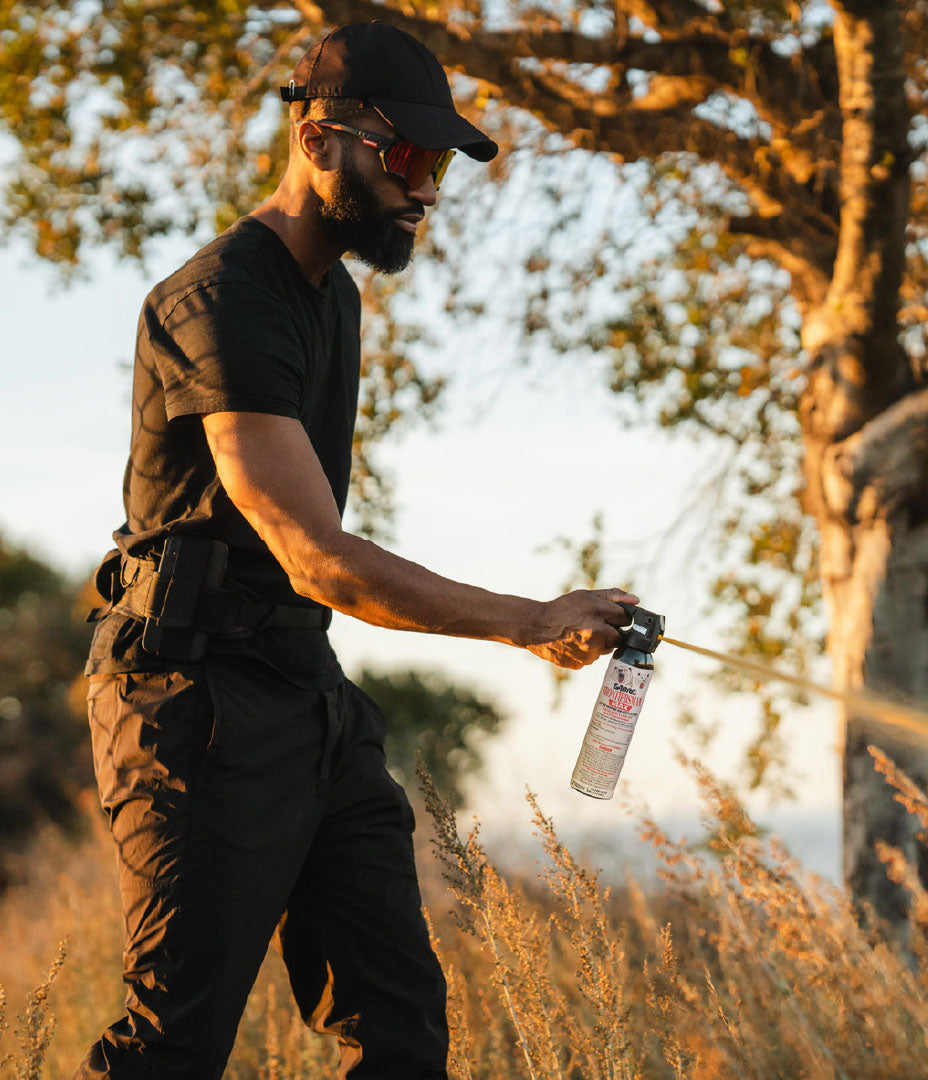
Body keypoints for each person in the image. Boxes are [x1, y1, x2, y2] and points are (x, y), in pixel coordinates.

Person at [78, 21, 636, 1080]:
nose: (425, 189)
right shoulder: (221, 299)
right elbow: (313, 554)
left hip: (305, 694)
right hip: (192, 704)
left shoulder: (332, 295)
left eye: (437, 166)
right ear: (317, 134)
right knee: (173, 1047)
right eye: (408, 158)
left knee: (401, 1031)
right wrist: (528, 621)